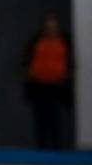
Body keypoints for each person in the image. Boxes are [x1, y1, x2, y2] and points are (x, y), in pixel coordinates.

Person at [23, 11, 74, 150]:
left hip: (56, 86)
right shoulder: (37, 40)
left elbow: (69, 62)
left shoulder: (64, 41)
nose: (51, 28)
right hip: (39, 85)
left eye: (53, 25)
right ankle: (42, 147)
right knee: (41, 119)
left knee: (55, 119)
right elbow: (28, 59)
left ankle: (56, 147)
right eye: (48, 25)